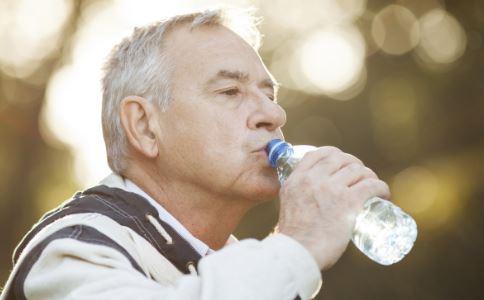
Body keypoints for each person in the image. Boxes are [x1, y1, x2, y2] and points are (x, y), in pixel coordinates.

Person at [1, 8, 390, 300]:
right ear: (144, 126)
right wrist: (298, 244)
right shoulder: (74, 251)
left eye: (269, 95)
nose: (274, 114)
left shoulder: (222, 265)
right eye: (229, 92)